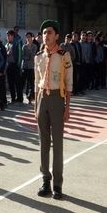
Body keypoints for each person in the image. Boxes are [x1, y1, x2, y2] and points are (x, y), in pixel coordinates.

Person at [35, 20, 73, 199]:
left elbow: (69, 82)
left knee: (57, 143)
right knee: (43, 142)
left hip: (58, 97)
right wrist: (36, 106)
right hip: (42, 97)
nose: (46, 36)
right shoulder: (38, 56)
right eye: (44, 33)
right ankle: (45, 180)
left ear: (57, 35)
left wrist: (67, 107)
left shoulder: (64, 55)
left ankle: (58, 184)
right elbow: (36, 82)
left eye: (49, 32)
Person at [21, 32, 37, 102]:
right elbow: (23, 56)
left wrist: (29, 56)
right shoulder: (24, 46)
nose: (28, 38)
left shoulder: (34, 46)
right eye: (27, 37)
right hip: (25, 66)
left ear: (32, 38)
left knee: (31, 82)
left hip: (31, 67)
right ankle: (22, 96)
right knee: (23, 82)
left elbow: (33, 56)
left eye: (29, 37)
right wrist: (28, 57)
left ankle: (30, 97)